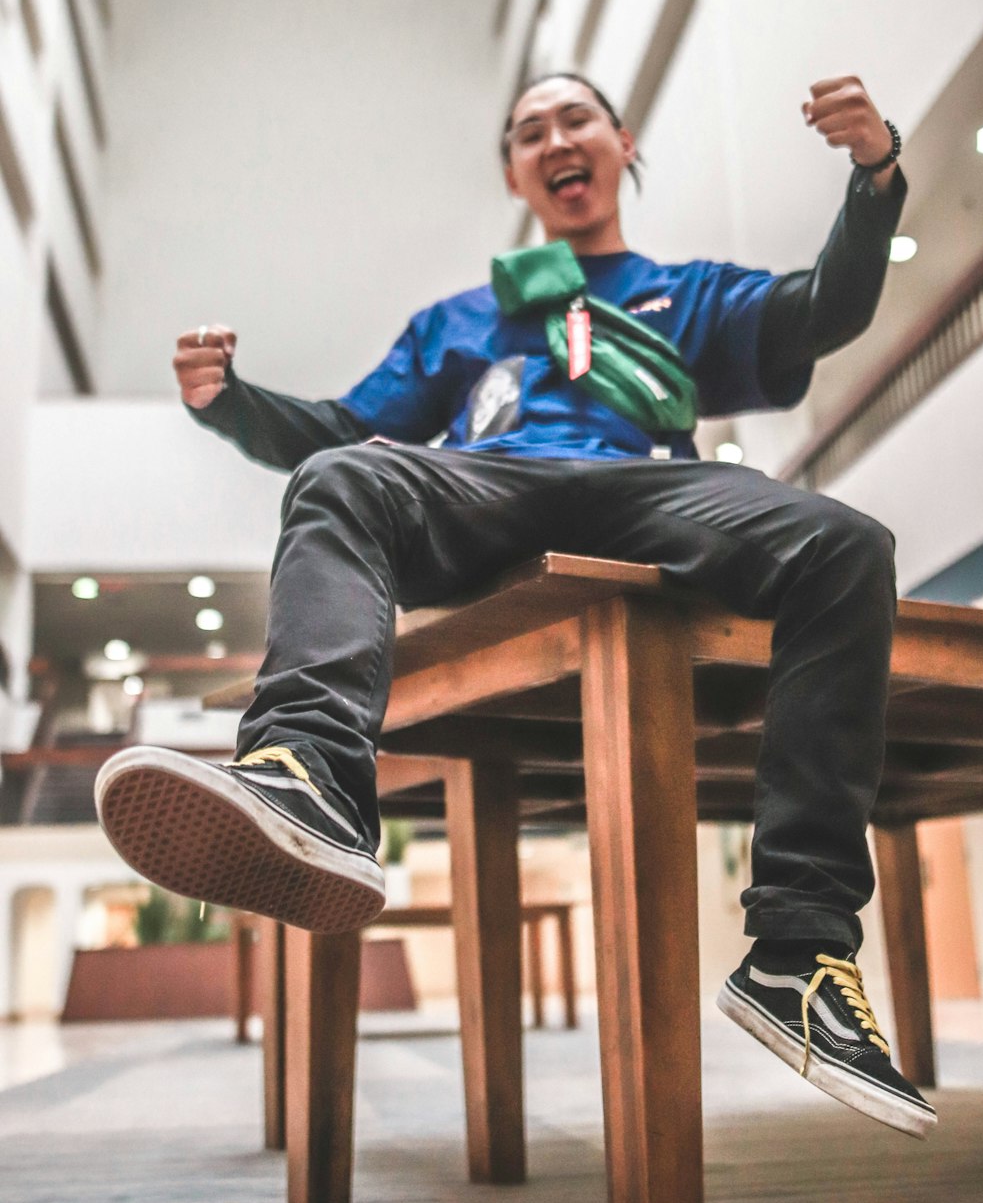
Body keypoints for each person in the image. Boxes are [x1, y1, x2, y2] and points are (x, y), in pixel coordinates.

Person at [96, 71, 935, 1139]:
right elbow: (339, 432)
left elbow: (829, 309)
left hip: (644, 490)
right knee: (345, 479)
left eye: (574, 119)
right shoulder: (462, 320)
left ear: (621, 145)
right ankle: (307, 780)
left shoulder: (689, 293)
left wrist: (874, 175)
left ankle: (799, 954)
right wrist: (235, 405)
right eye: (529, 130)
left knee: (843, 543)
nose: (555, 139)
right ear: (514, 173)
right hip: (492, 489)